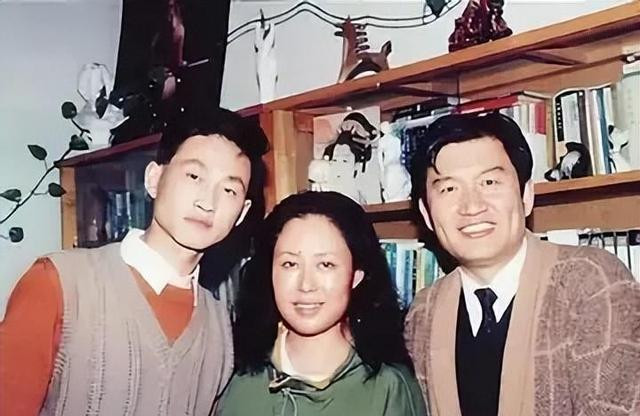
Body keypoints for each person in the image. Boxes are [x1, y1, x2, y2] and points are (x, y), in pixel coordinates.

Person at [0, 107, 269, 416]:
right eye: (194, 176)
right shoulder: (58, 284)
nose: (208, 202)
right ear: (154, 179)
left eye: (229, 190)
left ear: (242, 213)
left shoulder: (221, 326)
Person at [404, 112, 640, 416]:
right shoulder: (424, 312)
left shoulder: (591, 283)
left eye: (489, 182)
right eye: (449, 188)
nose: (472, 206)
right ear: (426, 213)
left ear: (526, 195)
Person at [218, 191, 427, 416]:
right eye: (290, 264)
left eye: (326, 265)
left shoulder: (390, 388)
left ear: (356, 276)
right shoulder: (232, 371)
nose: (306, 285)